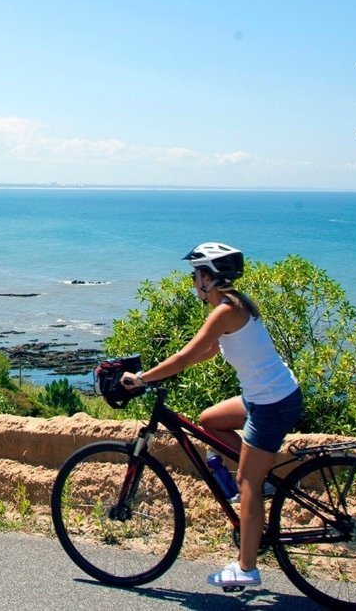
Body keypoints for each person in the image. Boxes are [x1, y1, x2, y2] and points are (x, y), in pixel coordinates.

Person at [121, 242, 303, 590]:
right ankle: (255, 479)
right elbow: (206, 351)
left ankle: (246, 567)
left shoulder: (223, 311)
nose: (193, 283)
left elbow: (186, 355)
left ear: (209, 278)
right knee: (209, 421)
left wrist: (142, 378)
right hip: (267, 396)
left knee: (246, 485)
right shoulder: (234, 304)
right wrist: (170, 370)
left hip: (271, 404)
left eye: (195, 275)